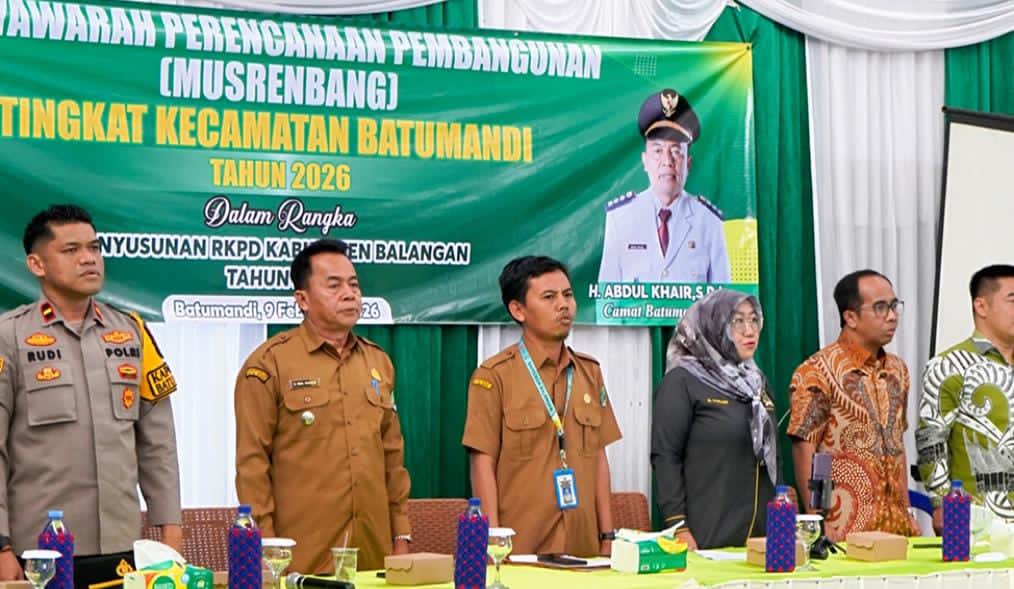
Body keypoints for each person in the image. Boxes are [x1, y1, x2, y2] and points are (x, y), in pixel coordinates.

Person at [0, 205, 182, 585]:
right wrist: (1, 546)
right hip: (38, 552)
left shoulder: (132, 332)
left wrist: (171, 533)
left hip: (121, 546)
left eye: (94, 248)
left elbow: (158, 444)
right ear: (36, 264)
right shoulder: (9, 336)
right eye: (71, 250)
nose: (88, 259)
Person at [234, 239, 411, 574]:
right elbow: (252, 464)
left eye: (354, 285)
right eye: (334, 285)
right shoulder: (269, 363)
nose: (349, 294)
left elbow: (392, 456)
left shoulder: (378, 363)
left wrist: (400, 534)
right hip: (302, 558)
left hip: (373, 554)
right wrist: (266, 546)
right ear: (302, 299)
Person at [463, 256, 622, 556]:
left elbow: (599, 457)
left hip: (583, 547)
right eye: (549, 297)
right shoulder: (494, 376)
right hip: (521, 547)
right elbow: (482, 463)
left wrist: (607, 536)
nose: (563, 305)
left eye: (568, 295)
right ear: (518, 310)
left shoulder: (589, 372)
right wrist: (493, 541)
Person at [788, 270, 919, 542]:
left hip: (897, 529)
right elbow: (804, 447)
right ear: (850, 317)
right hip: (845, 530)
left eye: (894, 306)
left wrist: (906, 509)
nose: (892, 316)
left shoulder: (898, 370)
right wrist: (816, 520)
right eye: (880, 307)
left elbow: (897, 442)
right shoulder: (816, 370)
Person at [651, 289, 777, 549]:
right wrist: (678, 525)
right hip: (705, 535)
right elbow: (665, 456)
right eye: (737, 321)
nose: (749, 331)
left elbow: (774, 458)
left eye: (754, 320)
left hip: (761, 537)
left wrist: (779, 526)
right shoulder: (682, 381)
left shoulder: (757, 383)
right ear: (712, 326)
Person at [598, 88, 731, 284]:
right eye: (658, 150)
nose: (667, 161)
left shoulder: (709, 222)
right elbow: (607, 297)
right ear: (645, 160)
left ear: (688, 164)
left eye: (676, 151)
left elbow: (723, 298)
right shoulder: (619, 218)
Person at [917, 264, 1014, 527]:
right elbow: (931, 440)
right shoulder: (950, 366)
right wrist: (941, 504)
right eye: (1012, 299)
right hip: (978, 518)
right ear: (981, 306)